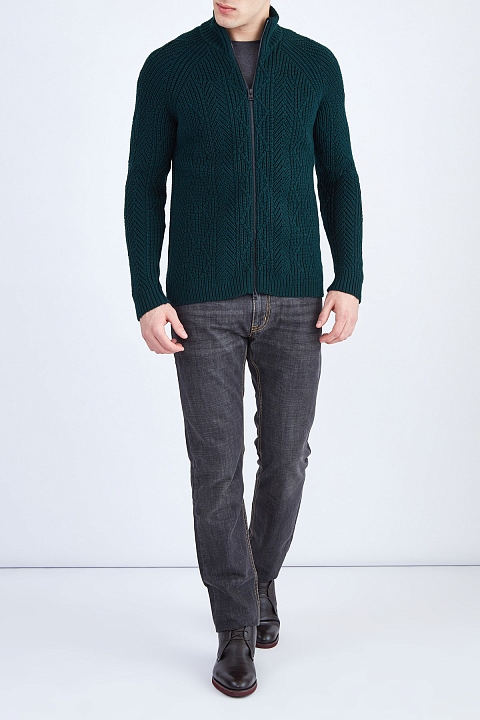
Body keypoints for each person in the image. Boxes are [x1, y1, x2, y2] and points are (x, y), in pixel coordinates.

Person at [124, 0, 363, 698]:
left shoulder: (315, 65)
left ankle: (260, 582)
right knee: (216, 468)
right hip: (202, 303)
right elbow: (145, 184)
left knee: (287, 459)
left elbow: (339, 176)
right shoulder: (169, 67)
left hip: (296, 299)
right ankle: (235, 624)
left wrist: (348, 277)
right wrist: (147, 291)